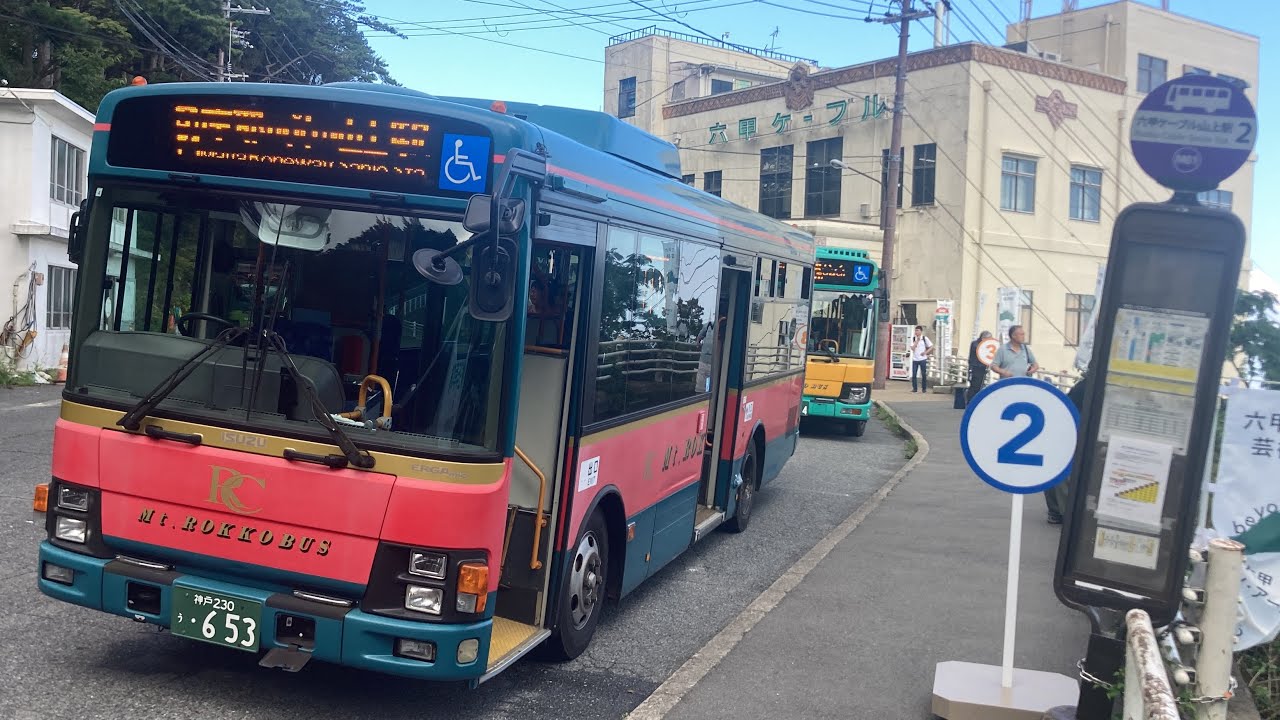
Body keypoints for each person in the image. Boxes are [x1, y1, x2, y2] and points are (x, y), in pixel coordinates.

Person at [966, 330, 993, 402]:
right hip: (976, 367)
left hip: (982, 367)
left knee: (980, 384)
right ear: (983, 338)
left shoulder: (979, 344)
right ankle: (971, 400)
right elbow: (980, 351)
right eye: (989, 339)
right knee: (975, 385)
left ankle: (976, 400)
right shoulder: (975, 344)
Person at [910, 325, 933, 393]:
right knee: (914, 374)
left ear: (921, 331)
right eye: (915, 330)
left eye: (917, 330)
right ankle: (915, 388)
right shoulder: (913, 339)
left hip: (923, 359)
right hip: (915, 359)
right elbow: (912, 348)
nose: (916, 332)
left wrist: (925, 352)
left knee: (923, 374)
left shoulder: (925, 338)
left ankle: (924, 388)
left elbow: (931, 346)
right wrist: (917, 341)